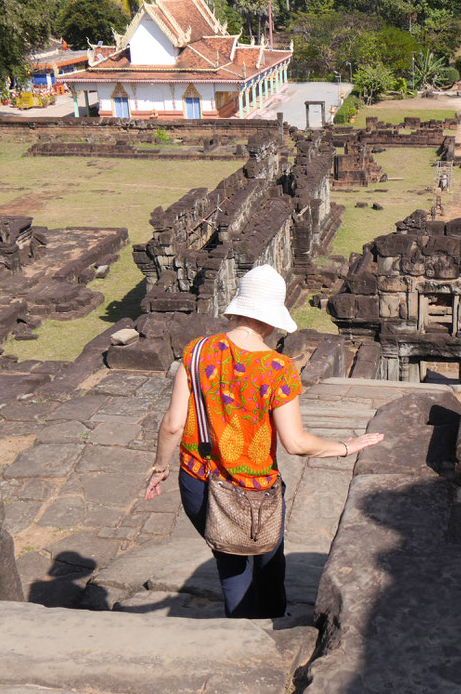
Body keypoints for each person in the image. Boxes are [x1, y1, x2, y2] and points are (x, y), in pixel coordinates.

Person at [143, 264, 383, 618]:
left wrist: (161, 466)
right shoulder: (277, 369)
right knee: (268, 559)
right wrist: (345, 447)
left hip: (197, 480)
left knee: (230, 563)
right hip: (256, 490)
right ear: (271, 321)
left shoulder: (196, 352)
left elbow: (173, 425)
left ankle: (241, 633)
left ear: (237, 308)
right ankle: (270, 627)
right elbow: (296, 443)